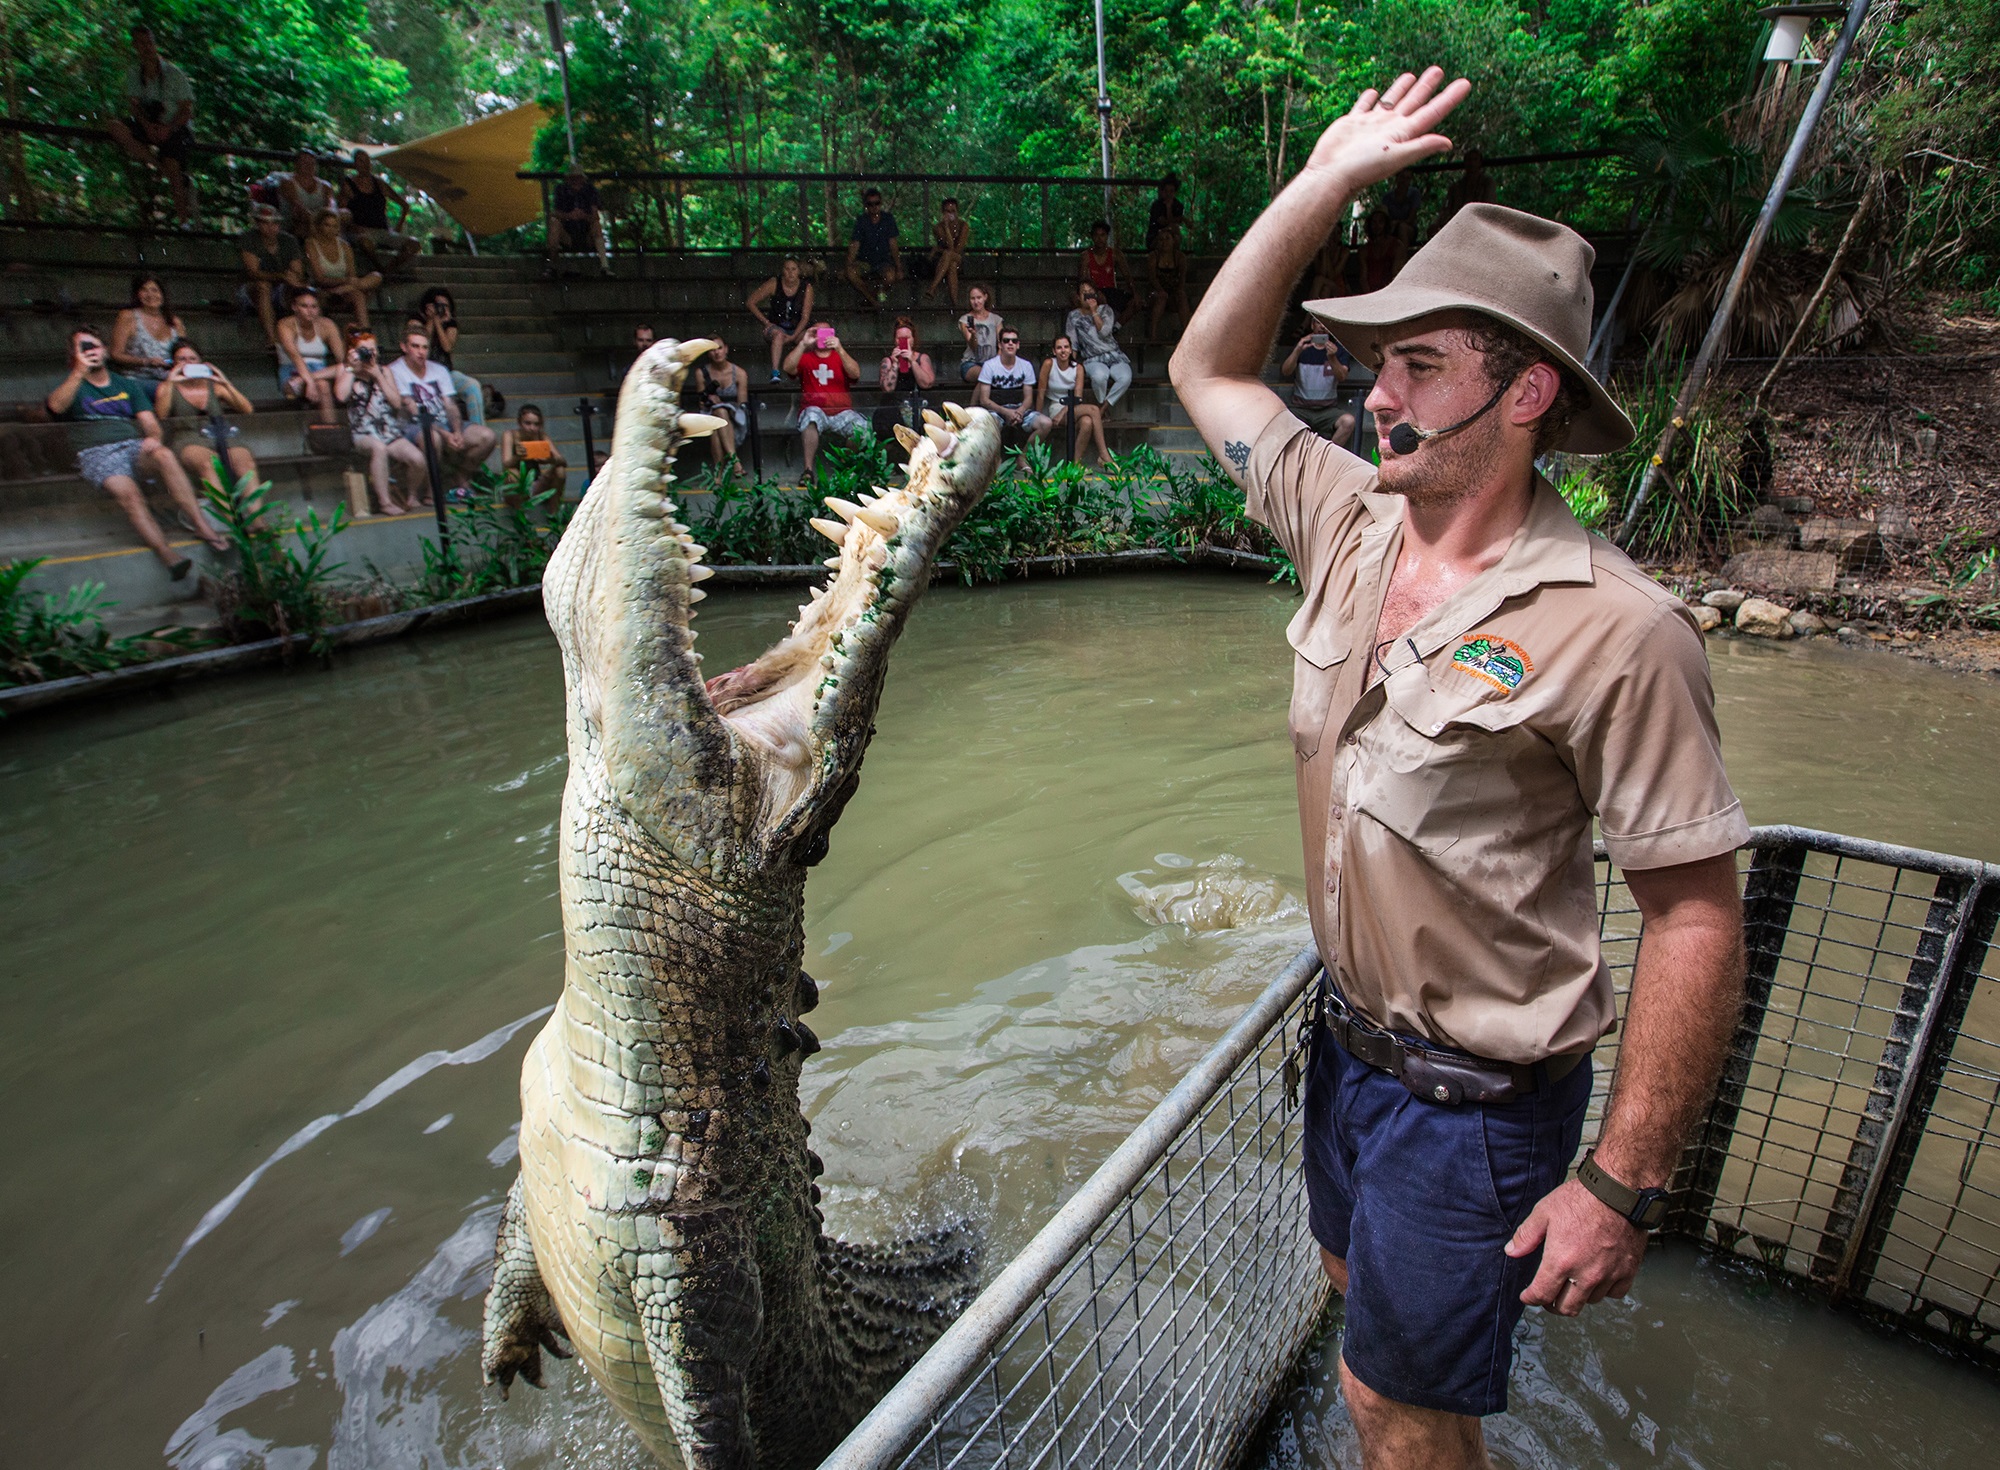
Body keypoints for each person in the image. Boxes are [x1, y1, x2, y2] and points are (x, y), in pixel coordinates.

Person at [1169, 69, 1749, 1470]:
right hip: (1345, 1052)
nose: (1375, 397)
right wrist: (1322, 183)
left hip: (1478, 1103)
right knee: (1353, 1305)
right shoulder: (1346, 520)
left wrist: (1620, 1182)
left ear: (1526, 388)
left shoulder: (1620, 630)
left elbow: (1693, 912)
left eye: (1418, 366)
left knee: (1393, 1403)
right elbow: (1208, 371)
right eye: (1379, 364)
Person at [47, 327, 225, 577]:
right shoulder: (72, 384)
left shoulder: (126, 384)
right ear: (74, 355)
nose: (91, 352)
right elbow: (55, 407)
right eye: (83, 348)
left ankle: (201, 525)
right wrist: (79, 371)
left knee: (164, 455)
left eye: (94, 346)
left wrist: (153, 438)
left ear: (105, 350)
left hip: (132, 446)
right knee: (130, 495)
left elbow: (150, 423)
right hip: (97, 453)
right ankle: (167, 554)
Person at [103, 24, 195, 225]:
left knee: (173, 168)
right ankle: (157, 165)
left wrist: (169, 128)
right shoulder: (134, 74)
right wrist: (146, 126)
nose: (146, 48)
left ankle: (184, 223)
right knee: (115, 127)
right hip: (150, 126)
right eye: (141, 43)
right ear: (135, 46)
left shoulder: (174, 74)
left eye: (149, 43)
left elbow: (187, 110)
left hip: (175, 127)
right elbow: (134, 106)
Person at [390, 327, 497, 494]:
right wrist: (445, 434)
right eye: (415, 346)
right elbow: (412, 410)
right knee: (433, 438)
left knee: (487, 437)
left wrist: (456, 431)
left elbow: (450, 405)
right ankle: (431, 489)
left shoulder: (439, 370)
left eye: (425, 347)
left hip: (443, 422)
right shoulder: (395, 370)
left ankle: (460, 475)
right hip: (413, 425)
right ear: (404, 347)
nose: (421, 352)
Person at [154, 338, 259, 498]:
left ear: (200, 361)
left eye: (192, 358)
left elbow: (247, 409)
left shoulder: (214, 386)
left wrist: (225, 382)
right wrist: (170, 381)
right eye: (181, 359)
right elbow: (161, 415)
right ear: (174, 362)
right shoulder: (166, 387)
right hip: (187, 437)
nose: (188, 363)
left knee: (246, 463)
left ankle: (256, 513)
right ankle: (227, 512)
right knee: (208, 464)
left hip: (221, 434)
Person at [335, 331, 425, 514]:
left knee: (418, 460)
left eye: (373, 349)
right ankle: (385, 502)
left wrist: (378, 375)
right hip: (362, 432)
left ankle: (411, 495)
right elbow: (341, 396)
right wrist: (352, 368)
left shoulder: (384, 371)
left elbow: (396, 403)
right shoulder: (344, 369)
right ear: (353, 351)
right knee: (379, 449)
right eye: (364, 350)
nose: (370, 353)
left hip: (388, 430)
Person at [783, 322, 865, 482]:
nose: (822, 336)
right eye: (817, 332)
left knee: (861, 427)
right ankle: (808, 471)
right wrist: (803, 343)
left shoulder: (840, 356)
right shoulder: (806, 358)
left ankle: (844, 467)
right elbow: (788, 368)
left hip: (842, 411)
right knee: (811, 417)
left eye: (826, 332)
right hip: (815, 410)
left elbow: (855, 374)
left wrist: (840, 348)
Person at [340, 151, 420, 276]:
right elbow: (341, 211)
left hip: (383, 230)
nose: (365, 165)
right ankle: (380, 270)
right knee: (365, 243)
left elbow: (404, 205)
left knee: (414, 244)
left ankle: (389, 270)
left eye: (367, 161)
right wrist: (351, 226)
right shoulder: (348, 185)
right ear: (355, 164)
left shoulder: (379, 184)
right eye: (361, 161)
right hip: (362, 232)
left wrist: (398, 226)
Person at [238, 204, 307, 346]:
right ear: (258, 224)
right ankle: (271, 338)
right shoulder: (249, 239)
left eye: (274, 223)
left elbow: (297, 271)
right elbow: (253, 272)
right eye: (265, 223)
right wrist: (280, 276)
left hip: (282, 286)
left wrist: (291, 278)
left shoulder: (289, 241)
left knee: (300, 288)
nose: (270, 227)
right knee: (263, 286)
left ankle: (304, 335)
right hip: (253, 288)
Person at [416, 287, 486, 425]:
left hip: (446, 374)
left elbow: (447, 347)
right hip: (423, 374)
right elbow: (423, 343)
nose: (441, 309)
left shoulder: (451, 324)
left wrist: (438, 323)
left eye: (445, 306)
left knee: (473, 386)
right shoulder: (419, 321)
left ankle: (479, 428)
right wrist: (431, 320)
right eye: (438, 305)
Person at [276, 287, 343, 426]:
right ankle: (331, 430)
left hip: (321, 371)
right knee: (323, 385)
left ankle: (328, 429)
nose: (310, 310)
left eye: (314, 306)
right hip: (292, 372)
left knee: (344, 367)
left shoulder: (327, 325)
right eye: (304, 306)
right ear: (294, 307)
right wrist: (309, 381)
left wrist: (310, 378)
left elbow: (342, 358)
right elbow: (295, 357)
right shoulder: (285, 324)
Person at [1280, 327, 1357, 446]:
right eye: (1318, 323)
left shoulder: (1338, 349)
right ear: (1312, 325)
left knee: (1348, 421)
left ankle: (1327, 454)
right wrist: (1297, 349)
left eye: (1325, 324)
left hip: (1327, 410)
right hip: (1300, 409)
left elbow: (1342, 376)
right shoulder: (1303, 347)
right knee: (1280, 418)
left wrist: (1332, 357)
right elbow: (1286, 371)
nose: (1321, 327)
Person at [306, 209, 382, 329]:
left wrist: (346, 285)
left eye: (334, 226)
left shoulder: (344, 246)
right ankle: (339, 291)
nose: (331, 229)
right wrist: (345, 282)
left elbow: (352, 275)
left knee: (373, 279)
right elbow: (319, 278)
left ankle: (365, 332)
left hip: (345, 288)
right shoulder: (311, 244)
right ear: (319, 226)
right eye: (327, 225)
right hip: (324, 289)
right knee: (357, 291)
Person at [973, 328, 1051, 445]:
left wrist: (1019, 411)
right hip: (996, 411)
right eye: (1006, 340)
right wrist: (1006, 412)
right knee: (988, 427)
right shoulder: (989, 366)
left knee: (1046, 423)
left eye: (1014, 341)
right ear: (1000, 345)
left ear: (1018, 345)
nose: (1010, 343)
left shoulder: (1026, 365)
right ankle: (997, 457)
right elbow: (984, 400)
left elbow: (1028, 398)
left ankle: (1024, 454)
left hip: (1020, 410)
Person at [1038, 334, 1107, 466]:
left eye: (1066, 347)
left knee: (1087, 422)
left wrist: (1063, 412)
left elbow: (1077, 399)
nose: (1063, 350)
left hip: (1071, 408)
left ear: (1070, 350)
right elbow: (1040, 394)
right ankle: (1104, 455)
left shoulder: (1078, 368)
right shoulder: (1049, 364)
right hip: (1055, 406)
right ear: (1054, 351)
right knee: (1094, 409)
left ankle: (1074, 464)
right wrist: (1038, 416)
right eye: (1059, 348)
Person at [1066, 283, 1132, 410]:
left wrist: (1094, 312)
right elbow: (1072, 342)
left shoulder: (1106, 310)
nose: (1087, 294)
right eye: (1084, 292)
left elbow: (1104, 332)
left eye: (1090, 291)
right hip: (1092, 358)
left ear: (1096, 294)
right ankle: (1101, 405)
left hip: (1114, 355)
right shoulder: (1073, 316)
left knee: (1125, 377)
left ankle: (1103, 408)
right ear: (1078, 297)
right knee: (1099, 377)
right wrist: (1071, 364)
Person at [109, 274, 186, 382]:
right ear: (137, 294)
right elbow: (115, 354)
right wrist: (146, 362)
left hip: (169, 380)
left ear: (163, 294)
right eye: (144, 290)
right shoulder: (128, 316)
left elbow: (185, 352)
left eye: (155, 290)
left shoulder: (175, 322)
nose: (150, 295)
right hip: (137, 379)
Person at [747, 258, 813, 381]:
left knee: (810, 338)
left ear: (799, 271)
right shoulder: (774, 283)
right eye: (787, 269)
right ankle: (775, 372)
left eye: (793, 269)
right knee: (778, 335)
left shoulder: (806, 287)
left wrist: (793, 336)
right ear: (782, 270)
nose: (790, 273)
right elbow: (750, 302)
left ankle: (805, 372)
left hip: (797, 328)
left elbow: (805, 317)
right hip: (776, 327)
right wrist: (766, 322)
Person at [872, 317, 936, 444]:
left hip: (918, 405)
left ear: (913, 339)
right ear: (895, 340)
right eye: (899, 338)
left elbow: (927, 383)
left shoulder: (922, 358)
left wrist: (912, 361)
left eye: (907, 338)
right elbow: (887, 388)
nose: (904, 341)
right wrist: (895, 364)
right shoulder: (888, 361)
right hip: (894, 409)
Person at [692, 339, 750, 472]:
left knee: (719, 418)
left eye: (719, 348)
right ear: (708, 353)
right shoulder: (701, 373)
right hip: (710, 414)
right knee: (719, 415)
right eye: (712, 350)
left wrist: (722, 405)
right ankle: (735, 462)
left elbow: (742, 404)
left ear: (726, 349)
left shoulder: (739, 373)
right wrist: (710, 400)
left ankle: (718, 476)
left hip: (735, 417)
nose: (717, 352)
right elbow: (702, 403)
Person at [843, 188, 902, 307]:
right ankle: (873, 301)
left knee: (891, 277)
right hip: (864, 261)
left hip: (883, 261)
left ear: (881, 203)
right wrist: (848, 265)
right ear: (866, 205)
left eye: (877, 203)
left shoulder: (888, 219)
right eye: (870, 204)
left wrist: (899, 267)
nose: (874, 207)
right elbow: (855, 244)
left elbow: (893, 244)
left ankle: (870, 299)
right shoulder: (861, 221)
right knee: (851, 273)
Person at [550, 165, 610, 275]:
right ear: (568, 179)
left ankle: (605, 267)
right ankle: (552, 267)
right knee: (554, 224)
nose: (575, 181)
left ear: (582, 179)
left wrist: (584, 216)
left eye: (577, 178)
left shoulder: (590, 190)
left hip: (587, 234)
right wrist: (569, 215)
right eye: (572, 178)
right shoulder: (561, 190)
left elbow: (595, 216)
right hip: (567, 235)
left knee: (596, 225)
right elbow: (555, 213)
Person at [501, 404, 569, 499]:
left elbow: (563, 461)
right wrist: (518, 457)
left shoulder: (541, 436)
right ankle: (520, 507)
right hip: (516, 484)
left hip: (537, 482)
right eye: (527, 423)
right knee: (512, 473)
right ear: (519, 422)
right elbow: (506, 464)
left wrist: (550, 460)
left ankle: (554, 508)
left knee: (560, 470)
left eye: (536, 424)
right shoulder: (510, 435)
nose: (532, 428)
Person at [277, 149, 339, 239]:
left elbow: (331, 205)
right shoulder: (287, 182)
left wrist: (328, 216)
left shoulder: (325, 186)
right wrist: (316, 219)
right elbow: (297, 206)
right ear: (296, 164)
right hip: (295, 223)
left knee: (344, 215)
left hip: (322, 222)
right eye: (304, 162)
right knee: (301, 221)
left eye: (312, 163)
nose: (309, 166)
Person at [920, 198, 971, 306]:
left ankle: (932, 287)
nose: (951, 214)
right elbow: (949, 246)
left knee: (949, 256)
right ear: (943, 213)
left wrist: (940, 248)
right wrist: (947, 228)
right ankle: (954, 304)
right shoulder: (938, 227)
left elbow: (956, 250)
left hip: (958, 258)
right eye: (948, 211)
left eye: (953, 211)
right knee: (951, 265)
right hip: (942, 261)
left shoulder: (964, 226)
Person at [1079, 221, 1134, 317]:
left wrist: (1135, 293)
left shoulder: (1115, 254)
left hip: (1110, 292)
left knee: (1136, 303)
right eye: (1096, 235)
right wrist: (1095, 291)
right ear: (1092, 237)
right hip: (1093, 292)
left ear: (1107, 236)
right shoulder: (1086, 255)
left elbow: (1127, 276)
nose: (1099, 239)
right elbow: (1082, 280)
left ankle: (1116, 325)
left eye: (1102, 235)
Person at [1146, 225, 1192, 340]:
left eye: (1167, 238)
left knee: (1182, 296)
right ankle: (1153, 334)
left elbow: (1182, 277)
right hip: (1156, 294)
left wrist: (1179, 290)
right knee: (1161, 297)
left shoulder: (1180, 257)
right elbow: (1152, 278)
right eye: (1161, 239)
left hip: (1173, 294)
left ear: (1173, 241)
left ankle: (1186, 333)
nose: (1164, 242)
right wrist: (1160, 290)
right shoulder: (1153, 257)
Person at [956, 283, 1003, 385]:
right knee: (985, 374)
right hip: (971, 363)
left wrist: (997, 364)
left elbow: (1002, 344)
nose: (976, 302)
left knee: (990, 374)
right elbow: (973, 346)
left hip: (992, 363)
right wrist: (973, 334)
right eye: (972, 298)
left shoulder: (996, 319)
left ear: (985, 297)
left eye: (979, 298)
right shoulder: (964, 320)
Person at [1440, 149, 1497, 229]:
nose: (1472, 163)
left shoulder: (1487, 182)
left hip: (1480, 223)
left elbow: (1489, 206)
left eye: (1475, 160)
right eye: (1469, 160)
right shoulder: (1456, 187)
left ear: (1480, 163)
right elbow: (1447, 209)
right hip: (1458, 224)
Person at [1383, 169, 1424, 255]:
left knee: (1402, 228)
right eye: (1402, 177)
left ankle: (1402, 257)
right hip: (1391, 228)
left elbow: (1411, 219)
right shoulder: (1388, 197)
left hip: (1408, 229)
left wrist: (1397, 223)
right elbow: (1385, 217)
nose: (1404, 181)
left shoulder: (1414, 194)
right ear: (1397, 178)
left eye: (1407, 178)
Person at [1359, 206, 1398, 292]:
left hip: (1389, 293)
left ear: (1386, 224)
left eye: (1381, 221)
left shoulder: (1397, 247)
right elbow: (1363, 278)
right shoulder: (1364, 250)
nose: (1377, 226)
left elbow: (1395, 276)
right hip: (1370, 293)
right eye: (1374, 222)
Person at [1146, 171, 1187, 249]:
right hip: (1155, 237)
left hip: (1172, 238)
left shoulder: (1178, 205)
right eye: (1166, 191)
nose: (1168, 194)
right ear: (1162, 191)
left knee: (1175, 232)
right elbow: (1163, 222)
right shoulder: (1156, 205)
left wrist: (1170, 208)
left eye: (1171, 191)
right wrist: (1181, 219)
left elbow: (1175, 225)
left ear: (1175, 192)